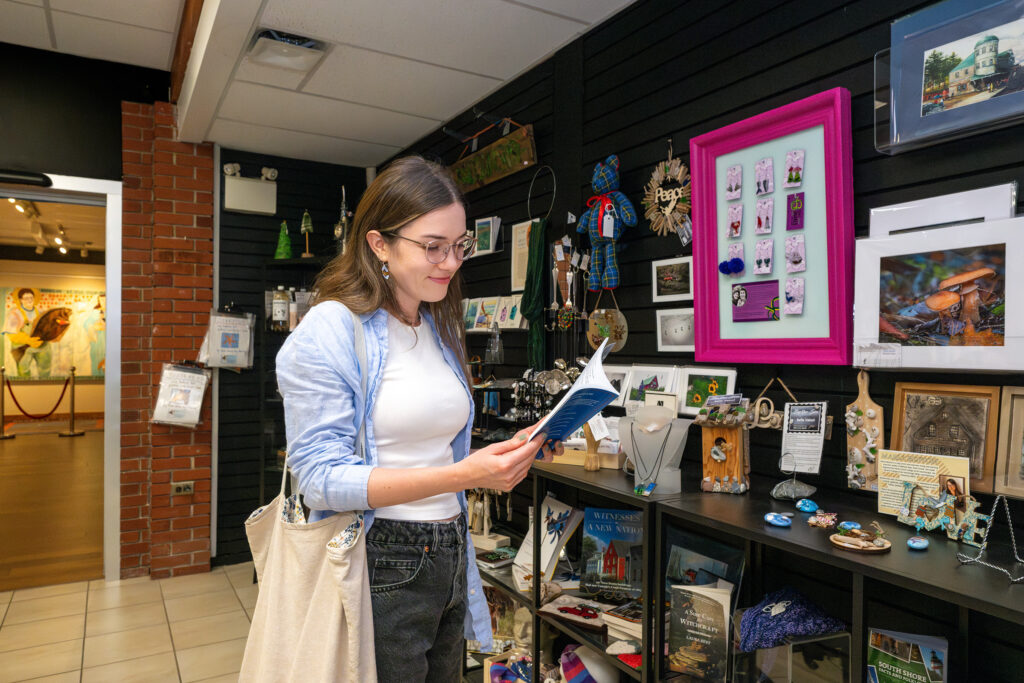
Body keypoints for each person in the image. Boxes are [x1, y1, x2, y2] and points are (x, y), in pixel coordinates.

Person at [275, 156, 562, 682]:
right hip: (381, 558)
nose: (450, 263)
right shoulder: (331, 329)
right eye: (432, 247)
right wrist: (466, 475)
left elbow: (433, 443)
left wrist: (514, 445)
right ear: (379, 243)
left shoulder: (435, 323)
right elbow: (319, 480)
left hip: (452, 548)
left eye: (459, 246)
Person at [3, 288, 49, 377]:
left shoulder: (41, 312)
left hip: (41, 345)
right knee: (23, 371)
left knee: (45, 368)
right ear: (20, 300)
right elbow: (11, 334)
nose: (29, 300)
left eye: (31, 298)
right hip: (22, 347)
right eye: (26, 298)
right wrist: (28, 340)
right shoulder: (15, 313)